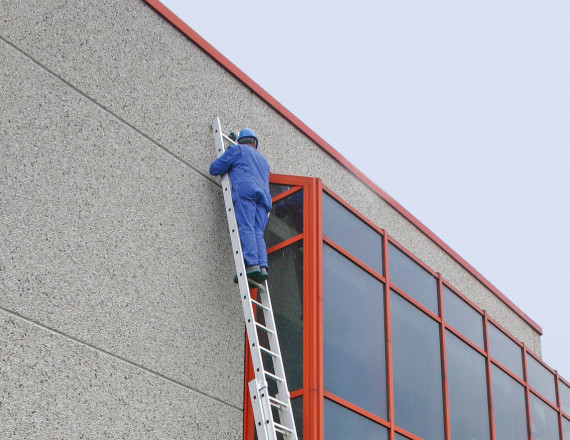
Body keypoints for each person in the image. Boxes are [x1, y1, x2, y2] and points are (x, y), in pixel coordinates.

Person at [209, 128, 272, 282]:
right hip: (264, 201)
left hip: (246, 192)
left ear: (240, 141)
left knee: (246, 227)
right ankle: (262, 266)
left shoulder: (237, 150)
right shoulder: (264, 162)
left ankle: (251, 265)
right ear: (255, 144)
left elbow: (214, 169)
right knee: (258, 232)